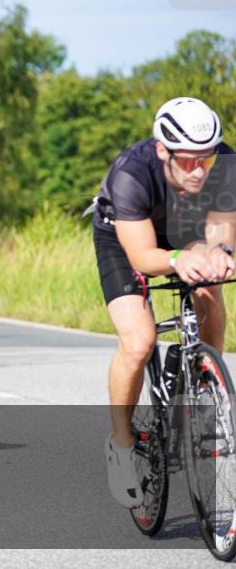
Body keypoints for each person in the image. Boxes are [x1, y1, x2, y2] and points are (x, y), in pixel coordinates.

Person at [90, 97, 235, 507]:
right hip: (125, 236)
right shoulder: (132, 173)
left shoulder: (224, 163)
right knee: (138, 342)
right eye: (186, 160)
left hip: (183, 227)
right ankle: (120, 445)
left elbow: (222, 228)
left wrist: (218, 254)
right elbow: (142, 257)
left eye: (204, 160)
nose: (197, 170)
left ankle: (206, 386)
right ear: (162, 150)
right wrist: (177, 259)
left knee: (209, 289)